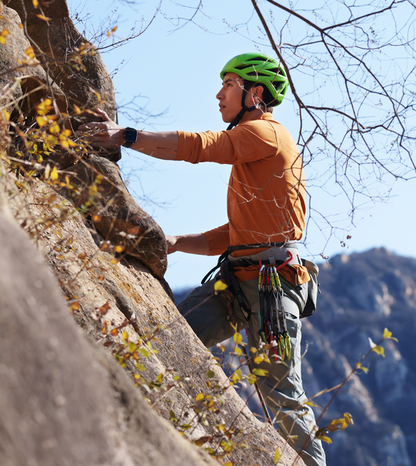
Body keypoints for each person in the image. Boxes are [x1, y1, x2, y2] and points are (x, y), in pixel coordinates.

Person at [79, 53, 326, 466]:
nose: (218, 93)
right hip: (237, 281)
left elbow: (203, 147)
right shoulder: (259, 151)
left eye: (228, 84)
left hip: (270, 286)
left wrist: (127, 136)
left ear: (255, 93)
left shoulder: (267, 134)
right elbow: (238, 235)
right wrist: (177, 242)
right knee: (166, 342)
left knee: (280, 392)